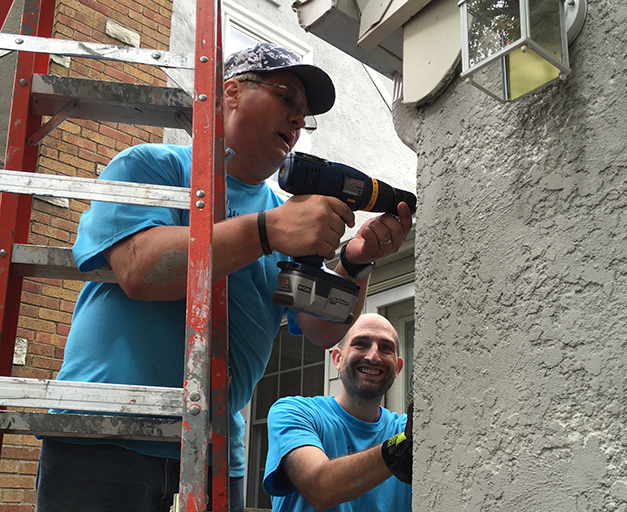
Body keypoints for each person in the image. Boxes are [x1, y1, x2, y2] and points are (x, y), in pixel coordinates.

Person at [34, 43, 412, 512]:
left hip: (213, 447)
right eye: (286, 97)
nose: (298, 119)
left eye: (305, 114)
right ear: (231, 92)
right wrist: (267, 232)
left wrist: (356, 263)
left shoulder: (282, 215)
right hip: (110, 433)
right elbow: (138, 270)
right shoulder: (154, 166)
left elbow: (320, 328)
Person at [264, 313, 412, 512]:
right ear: (337, 359)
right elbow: (319, 489)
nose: (373, 356)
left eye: (386, 348)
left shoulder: (404, 429)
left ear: (398, 368)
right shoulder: (295, 412)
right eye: (360, 344)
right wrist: (394, 451)